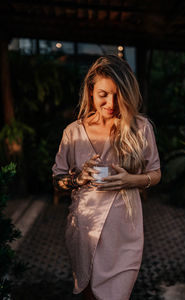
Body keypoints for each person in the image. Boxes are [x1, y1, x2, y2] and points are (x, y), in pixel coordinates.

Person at [52, 55, 161, 300]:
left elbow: (156, 173)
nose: (111, 102)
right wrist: (77, 179)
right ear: (90, 91)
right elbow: (57, 180)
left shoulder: (141, 127)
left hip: (125, 232)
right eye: (103, 94)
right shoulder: (73, 132)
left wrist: (130, 181)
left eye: (117, 94)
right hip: (85, 230)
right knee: (90, 295)